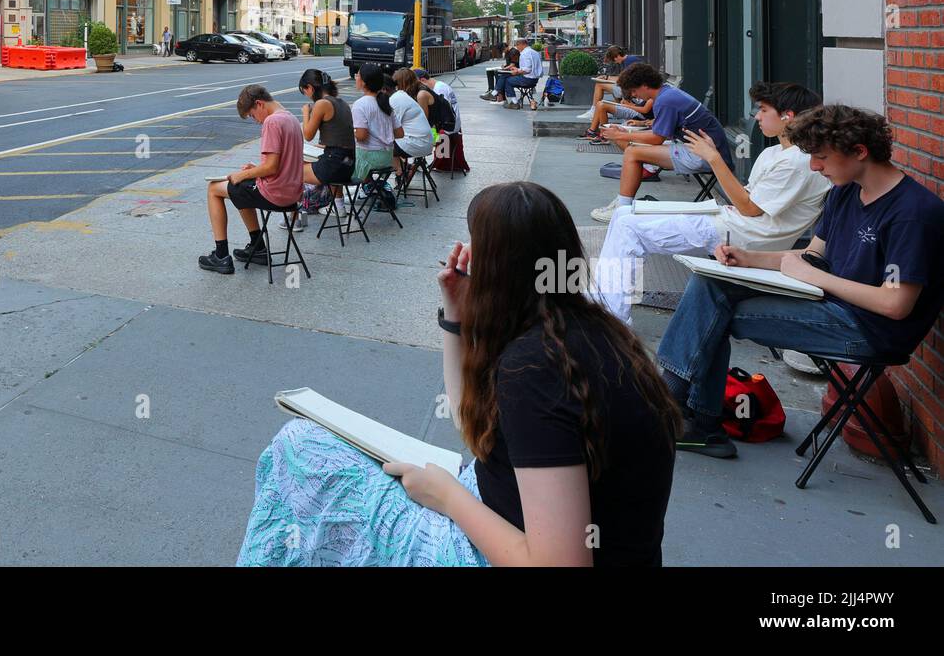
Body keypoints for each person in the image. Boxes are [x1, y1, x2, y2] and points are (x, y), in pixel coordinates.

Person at [237, 182, 681, 566]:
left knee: (297, 448)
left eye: (476, 244)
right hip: (511, 516)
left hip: (490, 542)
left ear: (497, 269)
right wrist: (455, 314)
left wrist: (448, 498)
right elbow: (472, 425)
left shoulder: (535, 371)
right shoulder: (587, 331)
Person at [656, 105, 944, 459]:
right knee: (710, 284)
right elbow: (812, 256)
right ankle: (687, 414)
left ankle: (685, 413)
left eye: (821, 157)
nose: (814, 167)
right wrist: (748, 258)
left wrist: (817, 276)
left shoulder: (912, 214)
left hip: (869, 331)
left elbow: (895, 304)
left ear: (859, 152)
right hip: (829, 305)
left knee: (711, 314)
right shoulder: (844, 191)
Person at [593, 82, 830, 323]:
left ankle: (613, 318)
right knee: (624, 216)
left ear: (787, 117)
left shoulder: (797, 162)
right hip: (729, 220)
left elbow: (748, 208)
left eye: (764, 110)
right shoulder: (774, 153)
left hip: (746, 236)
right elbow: (744, 198)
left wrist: (713, 158)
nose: (757, 116)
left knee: (628, 228)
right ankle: (603, 296)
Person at [591, 63, 732, 223]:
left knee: (632, 152)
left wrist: (620, 135)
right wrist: (625, 133)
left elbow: (657, 138)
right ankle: (623, 203)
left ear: (644, 85)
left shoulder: (664, 100)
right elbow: (659, 133)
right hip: (701, 149)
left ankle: (622, 208)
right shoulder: (668, 93)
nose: (635, 96)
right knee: (634, 149)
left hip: (705, 156)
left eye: (634, 91)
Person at [198, 85, 305, 276]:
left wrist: (243, 174)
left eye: (252, 115)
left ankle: (221, 256)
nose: (255, 121)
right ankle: (257, 247)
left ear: (259, 104)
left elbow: (271, 167)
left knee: (214, 188)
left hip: (275, 193)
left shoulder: (272, 122)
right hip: (292, 193)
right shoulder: (291, 118)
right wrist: (255, 170)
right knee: (240, 189)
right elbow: (282, 163)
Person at [294, 69, 357, 229]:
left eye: (305, 91)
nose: (307, 95)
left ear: (310, 87)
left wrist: (306, 113)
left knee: (293, 172)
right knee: (314, 159)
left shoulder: (322, 103)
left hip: (334, 165)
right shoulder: (341, 102)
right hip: (348, 164)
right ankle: (339, 206)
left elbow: (307, 134)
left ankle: (294, 219)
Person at [389, 68, 435, 205]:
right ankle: (402, 169)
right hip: (426, 141)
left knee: (384, 147)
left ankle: (399, 173)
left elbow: (392, 127)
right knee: (390, 144)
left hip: (419, 143)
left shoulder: (398, 99)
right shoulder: (408, 96)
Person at [416, 67, 468, 176]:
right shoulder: (438, 86)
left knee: (420, 135)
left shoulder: (439, 90)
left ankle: (422, 161)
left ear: (422, 81)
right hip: (449, 124)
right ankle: (420, 161)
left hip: (447, 128)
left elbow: (442, 115)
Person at [350, 63, 397, 184]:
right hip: (387, 157)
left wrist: (351, 132)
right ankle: (371, 187)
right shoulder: (385, 103)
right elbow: (400, 133)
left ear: (364, 82)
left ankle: (366, 187)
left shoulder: (360, 104)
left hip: (370, 159)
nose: (356, 77)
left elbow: (361, 136)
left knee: (338, 162)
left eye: (358, 75)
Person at [497, 38, 542, 110]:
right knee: (506, 76)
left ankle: (514, 102)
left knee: (507, 80)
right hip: (535, 80)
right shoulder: (535, 52)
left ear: (522, 44)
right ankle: (495, 92)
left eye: (517, 45)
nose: (517, 48)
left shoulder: (524, 53)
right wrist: (517, 69)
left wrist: (517, 71)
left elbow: (527, 70)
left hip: (527, 79)